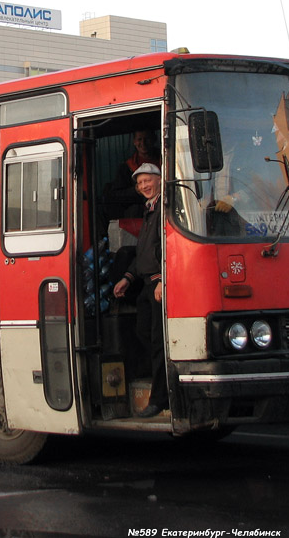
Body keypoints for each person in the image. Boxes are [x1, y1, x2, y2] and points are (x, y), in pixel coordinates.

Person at [112, 162, 168, 418]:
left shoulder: (166, 209)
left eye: (148, 181)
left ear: (159, 179)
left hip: (157, 284)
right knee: (142, 332)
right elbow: (142, 251)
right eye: (140, 183)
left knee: (158, 340)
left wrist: (159, 281)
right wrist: (127, 277)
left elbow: (166, 248)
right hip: (145, 283)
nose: (144, 186)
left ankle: (160, 399)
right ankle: (161, 378)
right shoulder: (149, 209)